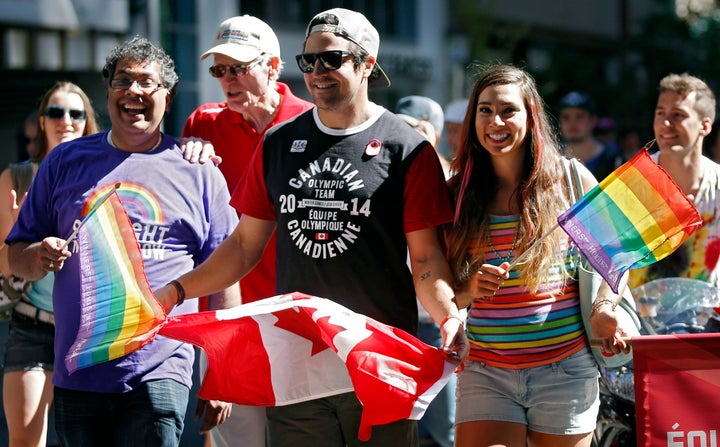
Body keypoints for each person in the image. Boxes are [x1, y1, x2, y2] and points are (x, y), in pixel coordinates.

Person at [155, 8, 468, 447]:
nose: (317, 72)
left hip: (376, 364)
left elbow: (427, 260)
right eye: (309, 61)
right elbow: (244, 247)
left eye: (331, 59)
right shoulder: (279, 143)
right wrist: (175, 291)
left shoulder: (406, 148)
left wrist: (449, 317)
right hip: (296, 368)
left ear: (367, 64)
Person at [5, 36, 239, 447]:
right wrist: (39, 254)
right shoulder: (63, 161)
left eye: (147, 83)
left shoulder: (200, 172)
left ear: (167, 96)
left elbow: (225, 278)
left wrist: (221, 373)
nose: (133, 91)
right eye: (122, 81)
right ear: (109, 91)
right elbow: (15, 256)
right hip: (78, 372)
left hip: (161, 370)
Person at [444, 64, 629, 447]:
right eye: (484, 110)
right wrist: (468, 290)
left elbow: (615, 252)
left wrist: (605, 307)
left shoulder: (571, 179)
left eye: (508, 110)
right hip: (486, 372)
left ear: (530, 116)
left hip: (565, 370)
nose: (495, 121)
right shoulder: (456, 193)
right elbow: (435, 282)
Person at [182, 14, 313, 447]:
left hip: (297, 316)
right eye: (220, 69)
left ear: (273, 66)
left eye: (239, 67)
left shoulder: (313, 124)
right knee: (238, 441)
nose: (228, 79)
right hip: (227, 316)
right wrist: (185, 153)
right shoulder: (204, 125)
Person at [0, 81, 99, 447]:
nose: (66, 121)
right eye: (56, 112)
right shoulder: (18, 178)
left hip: (91, 329)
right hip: (33, 326)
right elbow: (3, 269)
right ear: (40, 123)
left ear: (88, 122)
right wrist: (15, 236)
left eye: (76, 113)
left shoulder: (103, 176)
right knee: (25, 441)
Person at [394, 95, 456, 447]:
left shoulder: (452, 183)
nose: (404, 136)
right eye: (399, 127)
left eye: (413, 128)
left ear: (432, 134)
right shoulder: (386, 175)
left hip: (436, 323)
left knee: (446, 430)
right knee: (402, 429)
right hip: (394, 321)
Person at [629, 73, 720, 291]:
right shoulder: (632, 182)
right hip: (640, 318)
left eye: (678, 115)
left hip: (707, 321)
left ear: (705, 126)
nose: (666, 124)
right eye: (660, 113)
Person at [558, 91, 623, 181]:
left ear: (592, 120)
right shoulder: (554, 159)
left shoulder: (613, 158)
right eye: (566, 117)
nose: (572, 123)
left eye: (579, 117)